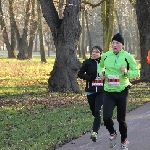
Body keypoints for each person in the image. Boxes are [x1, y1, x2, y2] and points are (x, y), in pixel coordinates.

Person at [99, 33, 140, 149]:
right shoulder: (106, 55)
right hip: (108, 91)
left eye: (117, 43)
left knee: (121, 120)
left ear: (122, 45)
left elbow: (137, 72)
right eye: (113, 43)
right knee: (106, 117)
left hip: (122, 91)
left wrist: (126, 72)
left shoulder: (127, 57)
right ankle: (112, 132)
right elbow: (100, 66)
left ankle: (124, 141)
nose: (114, 45)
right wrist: (101, 73)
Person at [78, 46, 104, 142]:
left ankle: (95, 132)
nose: (94, 54)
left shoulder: (104, 62)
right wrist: (89, 77)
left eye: (96, 52)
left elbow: (110, 72)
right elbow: (80, 74)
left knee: (97, 111)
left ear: (100, 53)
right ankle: (98, 121)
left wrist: (104, 75)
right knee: (94, 111)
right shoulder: (87, 62)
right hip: (90, 90)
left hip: (101, 91)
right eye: (93, 52)